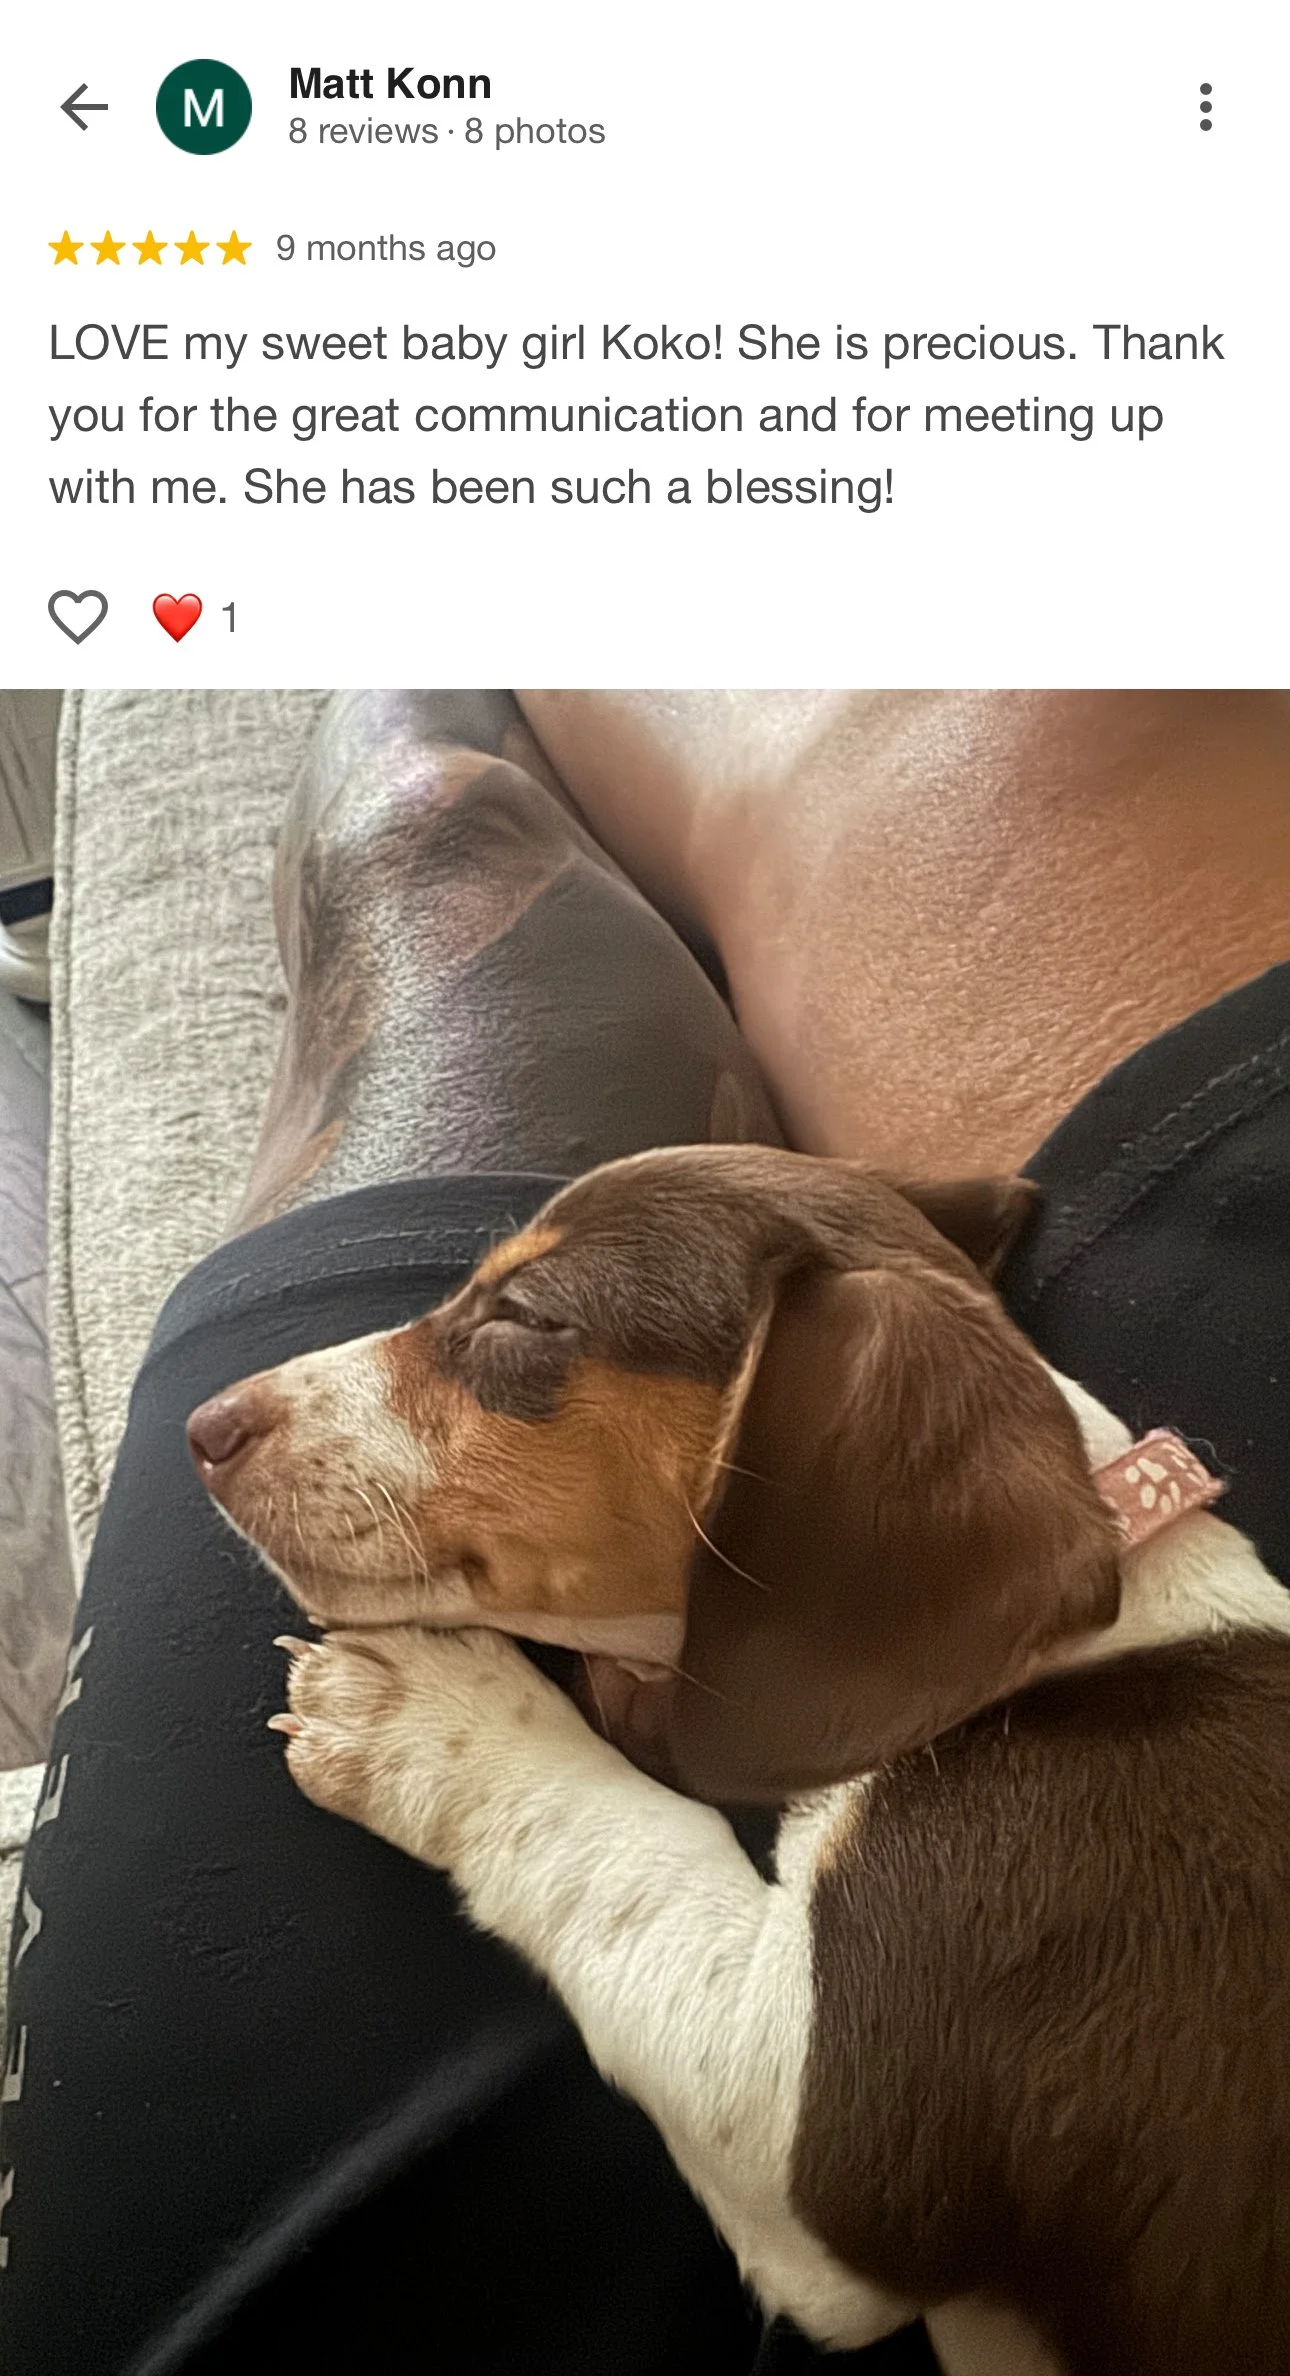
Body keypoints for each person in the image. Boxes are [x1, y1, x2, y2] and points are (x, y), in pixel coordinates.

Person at [3, 688, 1287, 2375]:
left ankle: (440, 754)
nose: (258, 1413)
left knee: (434, 844)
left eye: (501, 1336)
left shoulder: (1123, 1822)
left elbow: (835, 2235)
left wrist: (501, 1792)